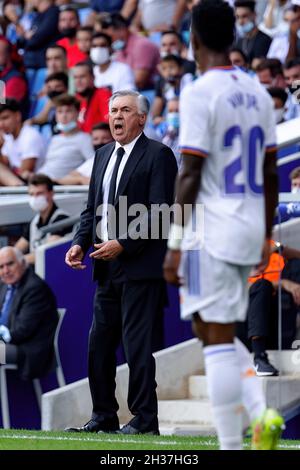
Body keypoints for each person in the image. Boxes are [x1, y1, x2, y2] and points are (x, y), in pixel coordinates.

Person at [163, 0, 284, 450]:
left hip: (209, 232)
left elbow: (190, 173)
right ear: (233, 38)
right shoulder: (256, 92)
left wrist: (174, 244)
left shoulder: (198, 91)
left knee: (213, 340)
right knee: (206, 325)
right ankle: (258, 409)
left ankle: (233, 443)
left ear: (193, 40)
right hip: (247, 226)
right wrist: (266, 232)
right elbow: (271, 175)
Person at [65, 90, 177, 435]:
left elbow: (161, 212)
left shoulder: (159, 155)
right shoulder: (101, 155)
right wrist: (79, 243)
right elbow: (91, 210)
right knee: (98, 344)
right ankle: (104, 416)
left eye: (125, 110)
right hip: (105, 267)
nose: (117, 116)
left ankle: (144, 420)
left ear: (141, 118)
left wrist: (123, 244)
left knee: (137, 347)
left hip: (141, 267)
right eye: (113, 110)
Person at [237, 241, 300, 376]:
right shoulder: (233, 253)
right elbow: (238, 290)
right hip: (246, 327)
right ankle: (259, 358)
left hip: (277, 323)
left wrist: (278, 248)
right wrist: (283, 284)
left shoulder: (269, 245)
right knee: (261, 286)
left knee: (297, 265)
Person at [0, 247, 58, 380]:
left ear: (22, 262)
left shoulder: (34, 288)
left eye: (10, 264)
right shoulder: (5, 286)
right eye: (1, 267)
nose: (5, 271)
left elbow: (21, 332)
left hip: (25, 350)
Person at [15, 174, 70, 264]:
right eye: (32, 194)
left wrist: (15, 262)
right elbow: (17, 249)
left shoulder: (62, 219)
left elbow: (46, 252)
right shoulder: (34, 221)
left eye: (39, 193)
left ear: (51, 193)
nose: (35, 198)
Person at [39, 94, 94, 179]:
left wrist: (75, 177)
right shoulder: (54, 139)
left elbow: (92, 164)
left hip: (62, 188)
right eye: (60, 111)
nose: (64, 116)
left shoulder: (84, 139)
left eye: (68, 111)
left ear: (77, 113)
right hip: (42, 181)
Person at [0, 99, 46, 181]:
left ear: (18, 116)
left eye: (5, 118)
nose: (1, 124)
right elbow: (5, 165)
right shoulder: (7, 137)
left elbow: (24, 172)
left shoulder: (30, 136)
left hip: (30, 185)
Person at [234, 0, 272, 66]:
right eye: (238, 17)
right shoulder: (239, 41)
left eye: (244, 16)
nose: (240, 22)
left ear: (254, 15)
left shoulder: (264, 40)